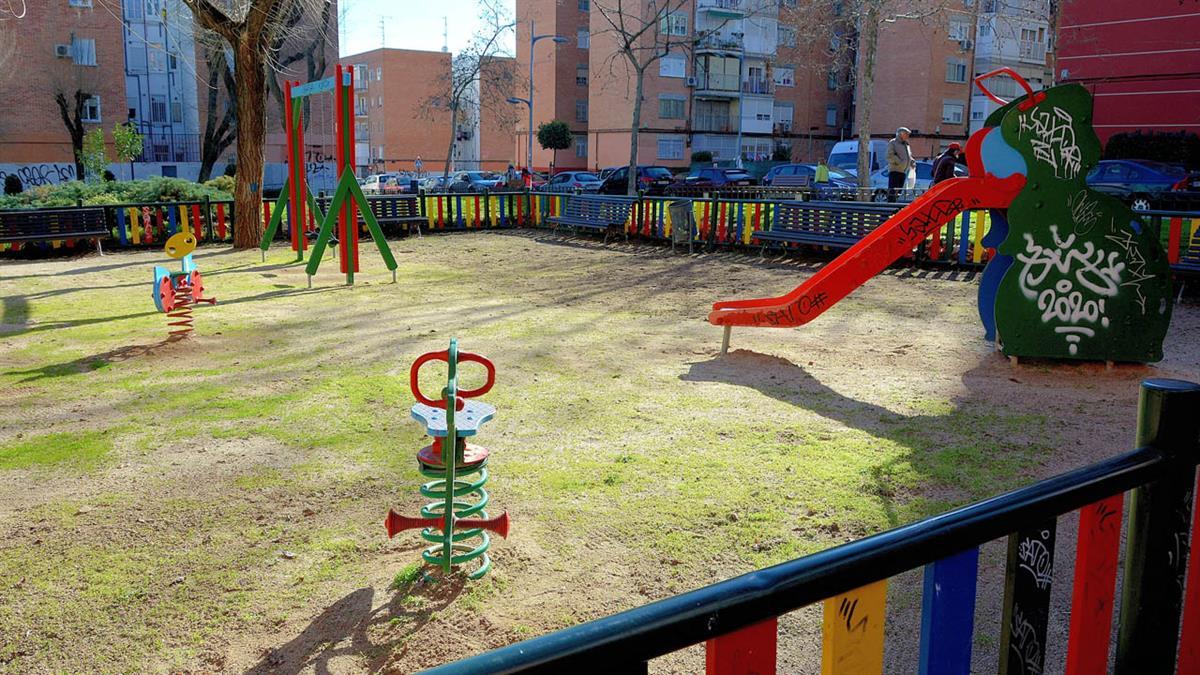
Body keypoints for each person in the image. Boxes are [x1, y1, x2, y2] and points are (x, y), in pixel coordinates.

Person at [885, 127, 915, 202]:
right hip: (895, 170)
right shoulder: (893, 142)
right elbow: (889, 155)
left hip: (903, 171)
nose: (908, 136)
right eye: (906, 134)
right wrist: (899, 162)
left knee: (899, 192)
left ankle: (894, 207)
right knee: (893, 192)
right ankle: (889, 207)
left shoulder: (906, 144)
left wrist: (912, 161)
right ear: (900, 134)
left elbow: (909, 156)